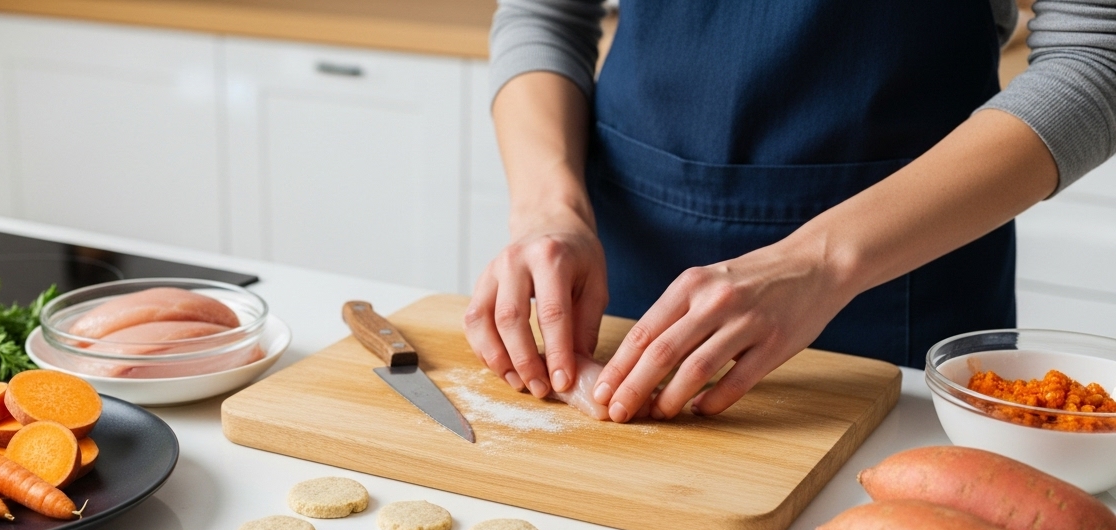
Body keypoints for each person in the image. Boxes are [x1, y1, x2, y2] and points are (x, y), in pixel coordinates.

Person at [464, 0, 1116, 423]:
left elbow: (1096, 56)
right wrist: (551, 210)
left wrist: (821, 262)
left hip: (903, 276)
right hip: (631, 259)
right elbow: (542, 13)